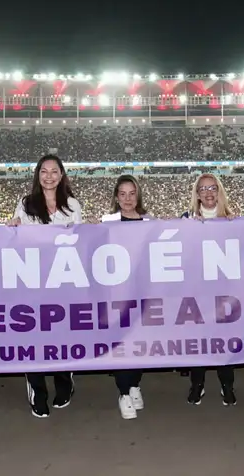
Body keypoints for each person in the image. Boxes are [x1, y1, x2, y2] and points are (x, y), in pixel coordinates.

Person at [6, 155, 82, 418]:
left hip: (62, 281)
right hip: (32, 281)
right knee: (33, 338)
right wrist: (13, 227)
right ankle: (38, 391)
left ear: (62, 175)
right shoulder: (26, 204)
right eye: (44, 172)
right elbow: (17, 240)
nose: (49, 176)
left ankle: (65, 382)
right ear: (38, 176)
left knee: (61, 335)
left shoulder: (72, 205)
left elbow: (78, 240)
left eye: (54, 171)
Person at [180, 173, 237, 405]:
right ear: (196, 194)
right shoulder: (185, 218)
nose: (208, 192)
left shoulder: (233, 219)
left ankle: (227, 385)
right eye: (203, 189)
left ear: (219, 191)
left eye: (212, 187)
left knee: (224, 339)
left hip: (225, 290)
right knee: (199, 341)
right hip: (197, 290)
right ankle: (198, 384)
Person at [103, 175, 151, 419]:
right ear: (116, 197)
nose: (128, 199)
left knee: (139, 343)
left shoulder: (150, 222)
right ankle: (123, 392)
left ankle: (134, 385)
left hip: (143, 294)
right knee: (121, 344)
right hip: (117, 296)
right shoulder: (107, 223)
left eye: (132, 193)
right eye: (122, 194)